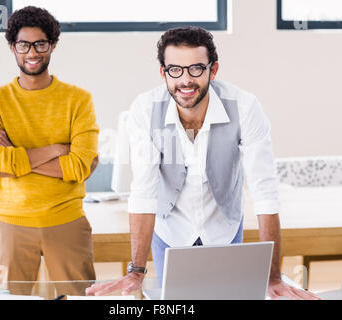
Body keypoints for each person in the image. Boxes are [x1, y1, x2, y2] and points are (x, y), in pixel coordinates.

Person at [86, 26, 320, 300]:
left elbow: (264, 192)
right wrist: (137, 270)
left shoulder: (244, 107)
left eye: (196, 68)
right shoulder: (146, 109)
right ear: (163, 72)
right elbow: (143, 193)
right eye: (175, 70)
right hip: (170, 231)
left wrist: (272, 276)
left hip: (224, 229)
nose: (185, 80)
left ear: (213, 69)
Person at [0, 6, 99, 289]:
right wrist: (57, 149)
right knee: (11, 298)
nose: (32, 52)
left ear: (52, 45)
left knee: (80, 296)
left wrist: (15, 153)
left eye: (40, 44)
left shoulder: (78, 99)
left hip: (66, 218)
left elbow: (81, 166)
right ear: (12, 47)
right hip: (11, 221)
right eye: (24, 44)